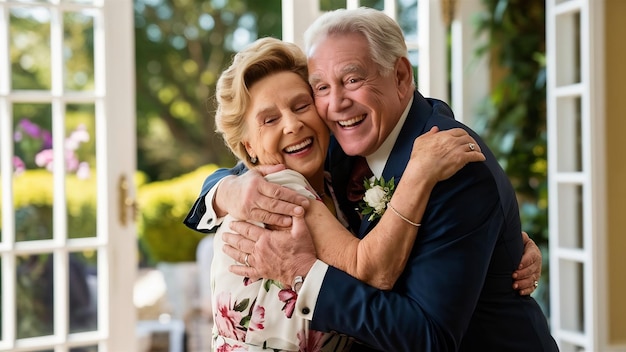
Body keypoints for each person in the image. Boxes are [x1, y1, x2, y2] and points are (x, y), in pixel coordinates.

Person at [185, 8, 552, 351]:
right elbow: (260, 167)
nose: (336, 103)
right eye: (322, 88)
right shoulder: (341, 144)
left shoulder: (452, 169)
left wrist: (303, 274)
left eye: (353, 79)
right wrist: (225, 191)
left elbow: (429, 338)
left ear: (401, 77)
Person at [206, 37, 486, 351]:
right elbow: (372, 270)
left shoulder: (330, 180)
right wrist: (418, 173)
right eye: (270, 120)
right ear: (248, 148)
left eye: (302, 106)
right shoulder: (280, 191)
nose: (293, 124)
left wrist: (496, 239)